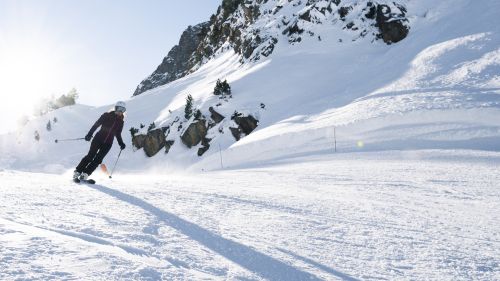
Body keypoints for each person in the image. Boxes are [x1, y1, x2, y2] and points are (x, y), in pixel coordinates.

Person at [73, 101, 127, 181]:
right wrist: (89, 134)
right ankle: (78, 171)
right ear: (115, 108)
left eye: (123, 109)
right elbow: (96, 124)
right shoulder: (106, 115)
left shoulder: (121, 122)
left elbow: (118, 134)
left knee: (98, 160)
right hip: (98, 139)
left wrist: (121, 143)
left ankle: (86, 173)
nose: (120, 111)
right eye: (119, 108)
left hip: (108, 144)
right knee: (90, 156)